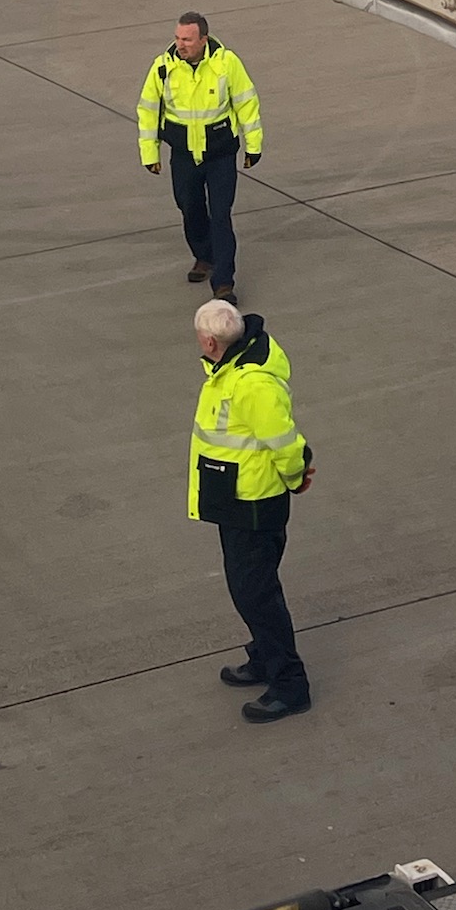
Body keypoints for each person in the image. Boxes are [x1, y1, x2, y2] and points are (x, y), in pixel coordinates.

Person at [189, 299, 313, 723]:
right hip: (234, 497)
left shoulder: (253, 384)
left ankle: (289, 683)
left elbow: (284, 441)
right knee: (248, 588)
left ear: (210, 340)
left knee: (257, 594)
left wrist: (296, 476)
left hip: (254, 503)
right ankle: (263, 657)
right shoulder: (228, 368)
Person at [137, 12, 262, 301]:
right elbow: (147, 110)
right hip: (183, 156)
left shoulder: (226, 64)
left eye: (187, 39)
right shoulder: (162, 68)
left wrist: (253, 145)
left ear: (203, 40)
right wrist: (149, 151)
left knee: (220, 216)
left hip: (220, 154)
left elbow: (246, 102)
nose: (180, 45)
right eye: (178, 38)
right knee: (189, 207)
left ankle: (223, 283)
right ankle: (204, 255)